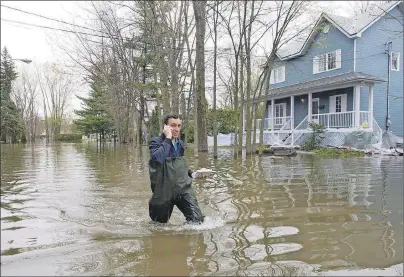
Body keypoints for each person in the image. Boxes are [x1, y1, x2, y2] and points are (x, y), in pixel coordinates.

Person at [148, 114, 205, 224]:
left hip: (183, 189)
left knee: (198, 221)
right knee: (158, 226)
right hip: (163, 192)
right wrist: (168, 138)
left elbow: (179, 166)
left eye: (179, 126)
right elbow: (157, 158)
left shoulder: (180, 144)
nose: (177, 129)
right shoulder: (155, 141)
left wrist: (192, 174)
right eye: (173, 125)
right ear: (165, 127)